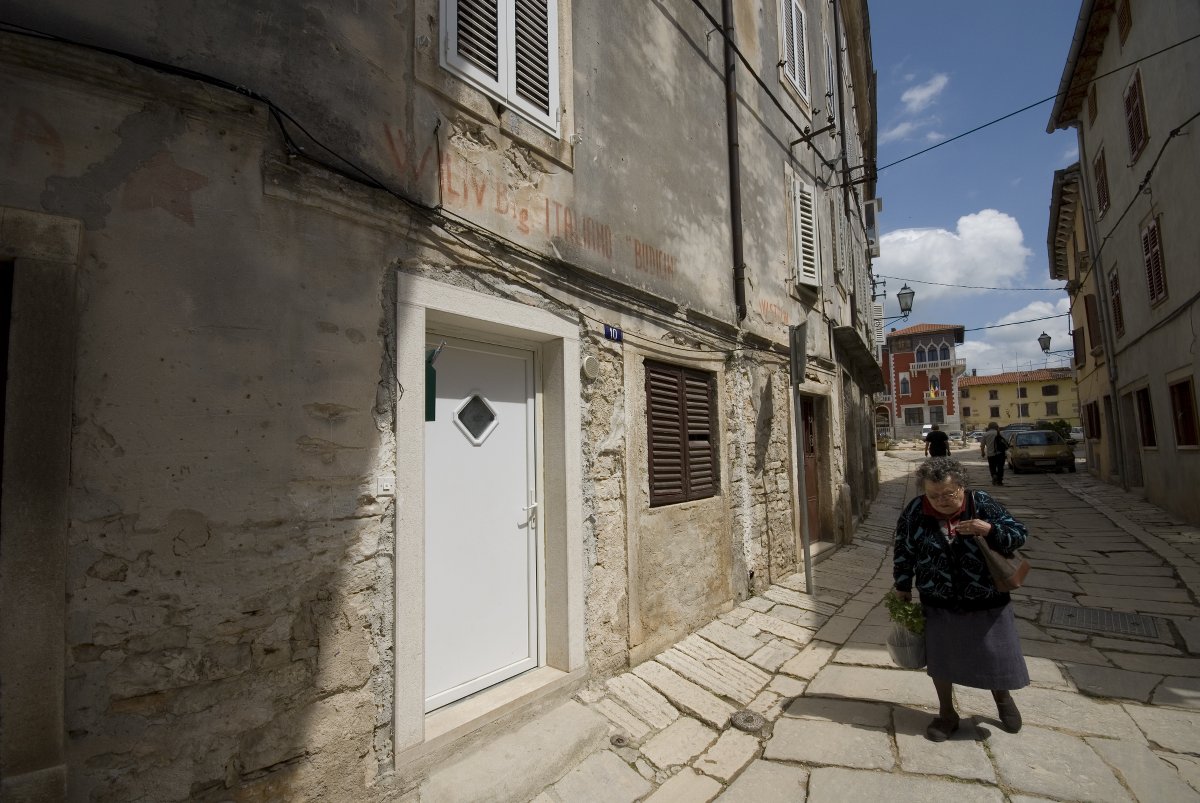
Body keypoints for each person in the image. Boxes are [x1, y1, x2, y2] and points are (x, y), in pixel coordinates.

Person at [892, 457, 1029, 742]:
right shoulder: (916, 510)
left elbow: (1019, 534)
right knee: (942, 660)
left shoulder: (981, 503)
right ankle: (946, 714)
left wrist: (988, 529)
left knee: (994, 655)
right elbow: (904, 548)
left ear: (961, 487)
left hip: (986, 598)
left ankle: (1002, 700)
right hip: (938, 599)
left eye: (948, 494)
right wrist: (902, 585)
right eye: (934, 495)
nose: (941, 500)